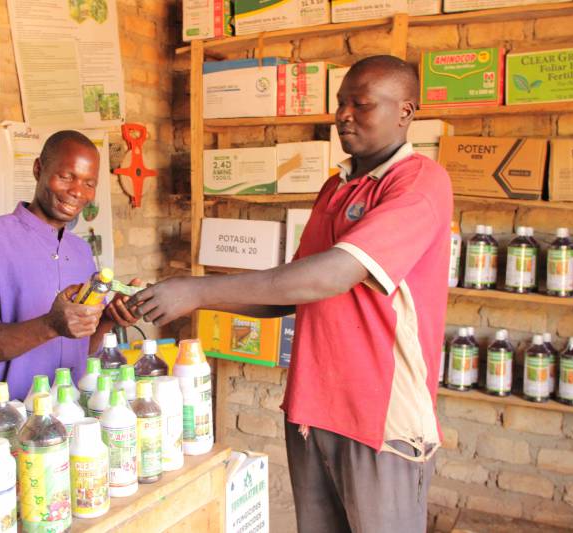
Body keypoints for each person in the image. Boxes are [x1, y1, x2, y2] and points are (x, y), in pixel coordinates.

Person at [130, 55, 451, 532]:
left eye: (360, 105)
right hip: (312, 408)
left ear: (406, 110)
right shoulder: (336, 187)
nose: (342, 115)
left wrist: (197, 289)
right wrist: (181, 296)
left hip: (379, 420)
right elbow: (293, 287)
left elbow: (332, 275)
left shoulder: (418, 182)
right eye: (341, 104)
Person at [0, 130, 139, 419]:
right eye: (66, 176)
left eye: (89, 183)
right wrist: (51, 324)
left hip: (70, 417)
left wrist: (107, 322)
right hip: (1, 426)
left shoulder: (80, 251)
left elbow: (78, 347)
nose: (78, 191)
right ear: (38, 169)